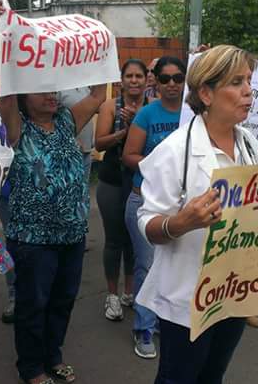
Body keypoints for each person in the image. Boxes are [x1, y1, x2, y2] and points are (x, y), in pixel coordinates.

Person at [135, 45, 258, 384]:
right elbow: (147, 225)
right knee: (178, 378)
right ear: (206, 93)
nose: (248, 91)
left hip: (234, 291)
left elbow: (251, 209)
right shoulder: (173, 151)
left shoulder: (246, 141)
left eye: (249, 81)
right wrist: (181, 222)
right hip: (188, 296)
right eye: (237, 82)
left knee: (213, 375)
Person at [0, 74, 106, 383]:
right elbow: (5, 98)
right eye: (40, 90)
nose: (51, 95)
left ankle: (53, 356)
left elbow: (98, 94)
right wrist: (6, 39)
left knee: (62, 299)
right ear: (22, 96)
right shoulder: (17, 129)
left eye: (53, 89)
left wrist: (102, 57)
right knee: (33, 304)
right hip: (33, 238)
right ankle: (32, 368)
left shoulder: (66, 121)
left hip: (72, 233)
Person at [122, 55, 186, 359]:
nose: (172, 84)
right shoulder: (147, 114)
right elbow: (129, 155)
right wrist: (160, 163)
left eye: (178, 78)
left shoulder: (194, 115)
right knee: (146, 266)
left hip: (181, 207)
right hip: (144, 200)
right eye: (165, 79)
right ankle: (144, 328)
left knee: (173, 267)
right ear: (156, 82)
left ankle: (164, 322)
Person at [95, 59, 148, 321]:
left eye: (139, 75)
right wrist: (125, 131)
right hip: (112, 180)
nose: (135, 80)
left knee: (135, 241)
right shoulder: (109, 106)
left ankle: (130, 292)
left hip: (141, 183)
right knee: (115, 239)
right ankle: (112, 295)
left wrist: (140, 122)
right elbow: (100, 143)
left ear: (147, 79)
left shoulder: (153, 108)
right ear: (121, 80)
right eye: (130, 76)